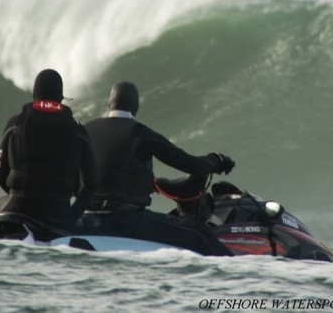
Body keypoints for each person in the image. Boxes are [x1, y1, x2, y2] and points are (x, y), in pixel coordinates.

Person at [82, 81, 235, 256]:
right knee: (201, 234)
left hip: (88, 218)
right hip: (128, 221)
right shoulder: (139, 134)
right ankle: (237, 274)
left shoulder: (86, 130)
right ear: (136, 106)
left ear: (110, 103)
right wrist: (217, 160)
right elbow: (189, 163)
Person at [0, 69, 96, 237]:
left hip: (17, 209)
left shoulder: (15, 123)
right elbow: (90, 184)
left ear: (34, 94)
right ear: (60, 98)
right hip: (58, 216)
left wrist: (20, 197)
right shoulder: (78, 130)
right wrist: (71, 217)